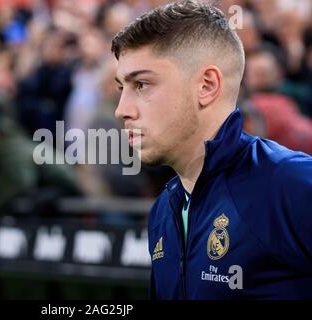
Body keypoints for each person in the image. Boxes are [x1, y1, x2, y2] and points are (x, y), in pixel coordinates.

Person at [112, 0, 312, 299]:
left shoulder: (292, 185)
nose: (121, 110)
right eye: (121, 88)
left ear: (207, 86)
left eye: (141, 84)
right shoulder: (163, 211)